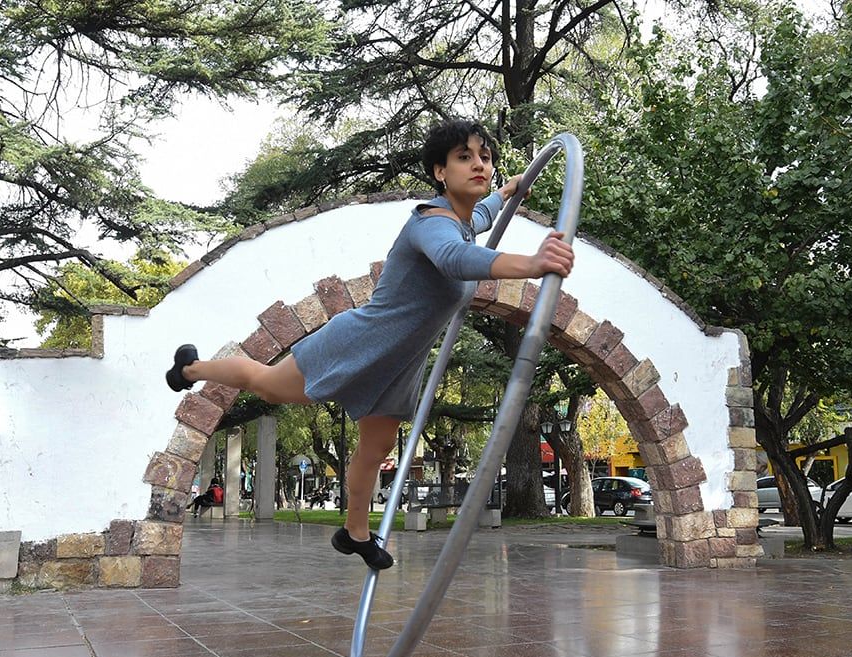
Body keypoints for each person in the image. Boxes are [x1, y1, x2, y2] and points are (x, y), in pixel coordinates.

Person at [165, 119, 575, 569]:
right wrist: (533, 262)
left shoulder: (461, 222)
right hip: (359, 341)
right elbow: (456, 259)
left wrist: (508, 191)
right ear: (440, 171)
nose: (479, 165)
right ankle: (191, 370)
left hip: (400, 365)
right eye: (464, 157)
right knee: (267, 385)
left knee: (374, 450)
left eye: (486, 157)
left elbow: (479, 217)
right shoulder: (429, 224)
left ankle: (354, 533)